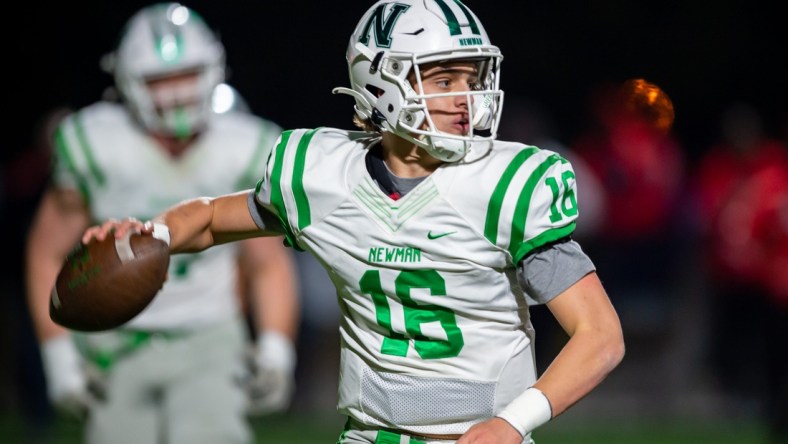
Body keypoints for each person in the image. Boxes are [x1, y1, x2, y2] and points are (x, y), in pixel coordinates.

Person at [84, 1, 624, 443]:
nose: (467, 98)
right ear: (383, 84)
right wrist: (146, 235)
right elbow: (209, 219)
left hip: (481, 437)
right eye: (443, 79)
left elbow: (600, 335)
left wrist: (512, 422)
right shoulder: (320, 176)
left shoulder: (507, 186)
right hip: (367, 434)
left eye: (472, 76)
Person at [25, 3, 299, 444]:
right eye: (160, 80)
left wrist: (275, 346)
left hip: (209, 337)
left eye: (186, 74)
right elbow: (46, 252)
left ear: (213, 69)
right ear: (127, 82)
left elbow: (267, 261)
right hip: (116, 339)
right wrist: (58, 356)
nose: (175, 92)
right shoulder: (94, 142)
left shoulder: (245, 144)